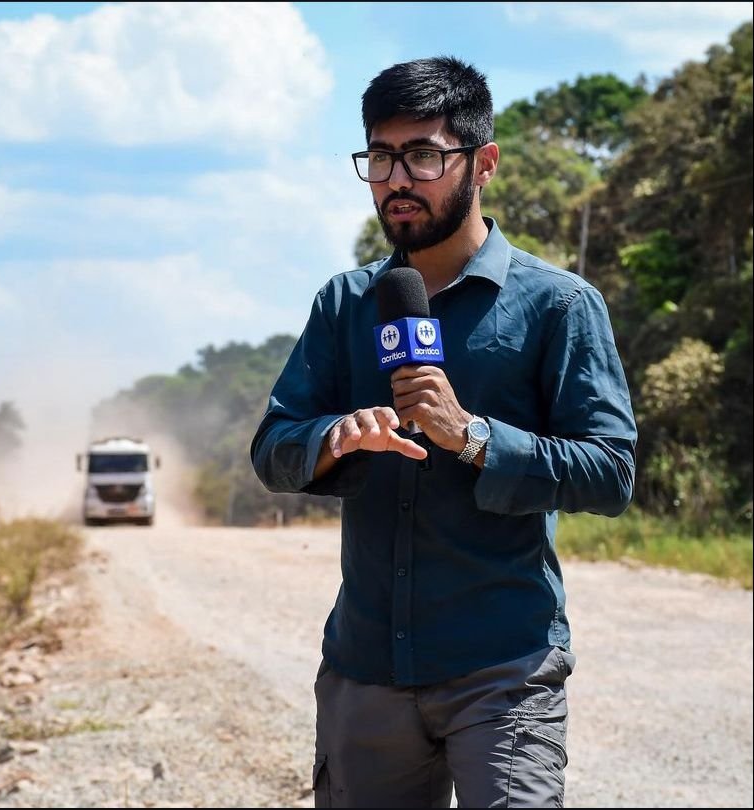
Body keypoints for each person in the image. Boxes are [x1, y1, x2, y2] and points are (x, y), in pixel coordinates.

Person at [250, 56, 636, 808]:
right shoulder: (344, 302)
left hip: (504, 666)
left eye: (423, 156)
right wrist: (335, 438)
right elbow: (273, 447)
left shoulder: (558, 305)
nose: (397, 180)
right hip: (365, 667)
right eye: (380, 157)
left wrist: (475, 437)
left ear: (482, 163)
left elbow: (609, 471)